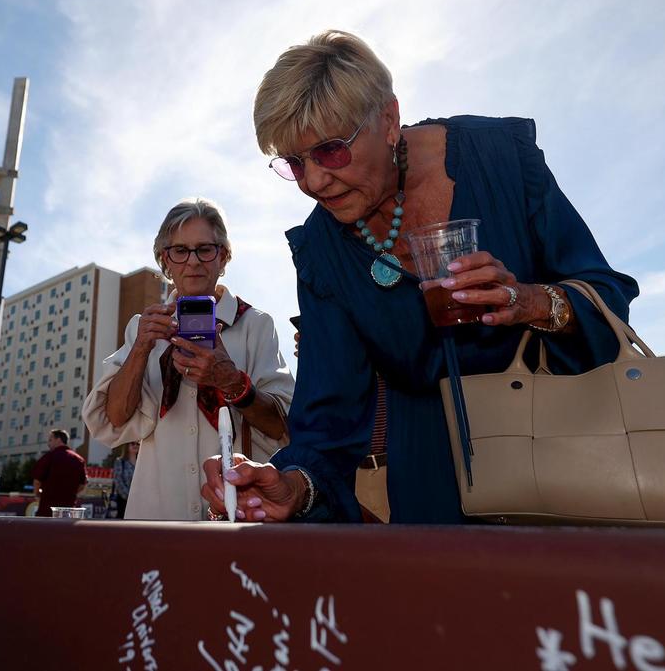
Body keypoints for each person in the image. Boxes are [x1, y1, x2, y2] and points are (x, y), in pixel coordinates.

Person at [202, 30, 638, 525]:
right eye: (295, 163)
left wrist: (530, 301)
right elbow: (327, 420)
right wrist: (292, 486)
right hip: (428, 481)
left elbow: (606, 297)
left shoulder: (501, 160)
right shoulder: (322, 249)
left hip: (564, 450)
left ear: (388, 120)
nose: (314, 182)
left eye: (330, 151)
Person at [83, 198, 295, 520]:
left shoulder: (254, 325)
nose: (192, 262)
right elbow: (113, 420)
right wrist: (140, 349)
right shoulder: (143, 330)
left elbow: (284, 426)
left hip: (237, 513)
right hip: (155, 513)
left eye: (205, 249)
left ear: (222, 257)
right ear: (165, 261)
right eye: (179, 251)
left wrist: (233, 382)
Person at [31, 429, 88, 517]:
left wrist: (37, 494)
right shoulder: (79, 460)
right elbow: (82, 484)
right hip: (68, 512)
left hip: (47, 510)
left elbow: (37, 481)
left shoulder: (49, 457)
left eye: (50, 440)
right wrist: (68, 493)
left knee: (44, 530)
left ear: (58, 440)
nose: (48, 443)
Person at [109, 442, 139, 519]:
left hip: (138, 502)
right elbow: (118, 482)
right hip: (123, 502)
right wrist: (129, 497)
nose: (135, 445)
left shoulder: (142, 463)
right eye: (132, 443)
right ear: (127, 446)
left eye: (138, 444)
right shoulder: (120, 462)